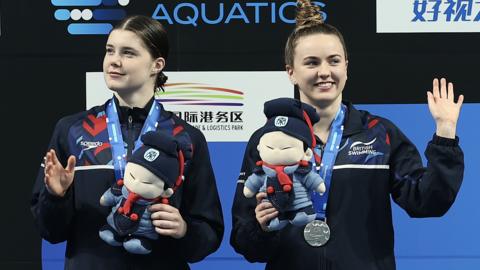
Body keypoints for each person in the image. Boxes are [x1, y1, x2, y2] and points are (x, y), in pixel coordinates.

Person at [230, 1, 465, 269]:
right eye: (311, 63)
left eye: (334, 61)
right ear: (291, 72)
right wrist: (262, 228)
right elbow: (244, 239)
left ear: (346, 67)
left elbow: (428, 202)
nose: (324, 72)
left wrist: (445, 135)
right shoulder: (269, 140)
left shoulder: (379, 133)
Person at [31, 15, 224, 270]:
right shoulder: (73, 130)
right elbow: (51, 232)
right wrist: (57, 197)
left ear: (157, 65)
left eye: (128, 53)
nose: (114, 60)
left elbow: (209, 233)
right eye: (110, 50)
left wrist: (184, 230)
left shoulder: (185, 137)